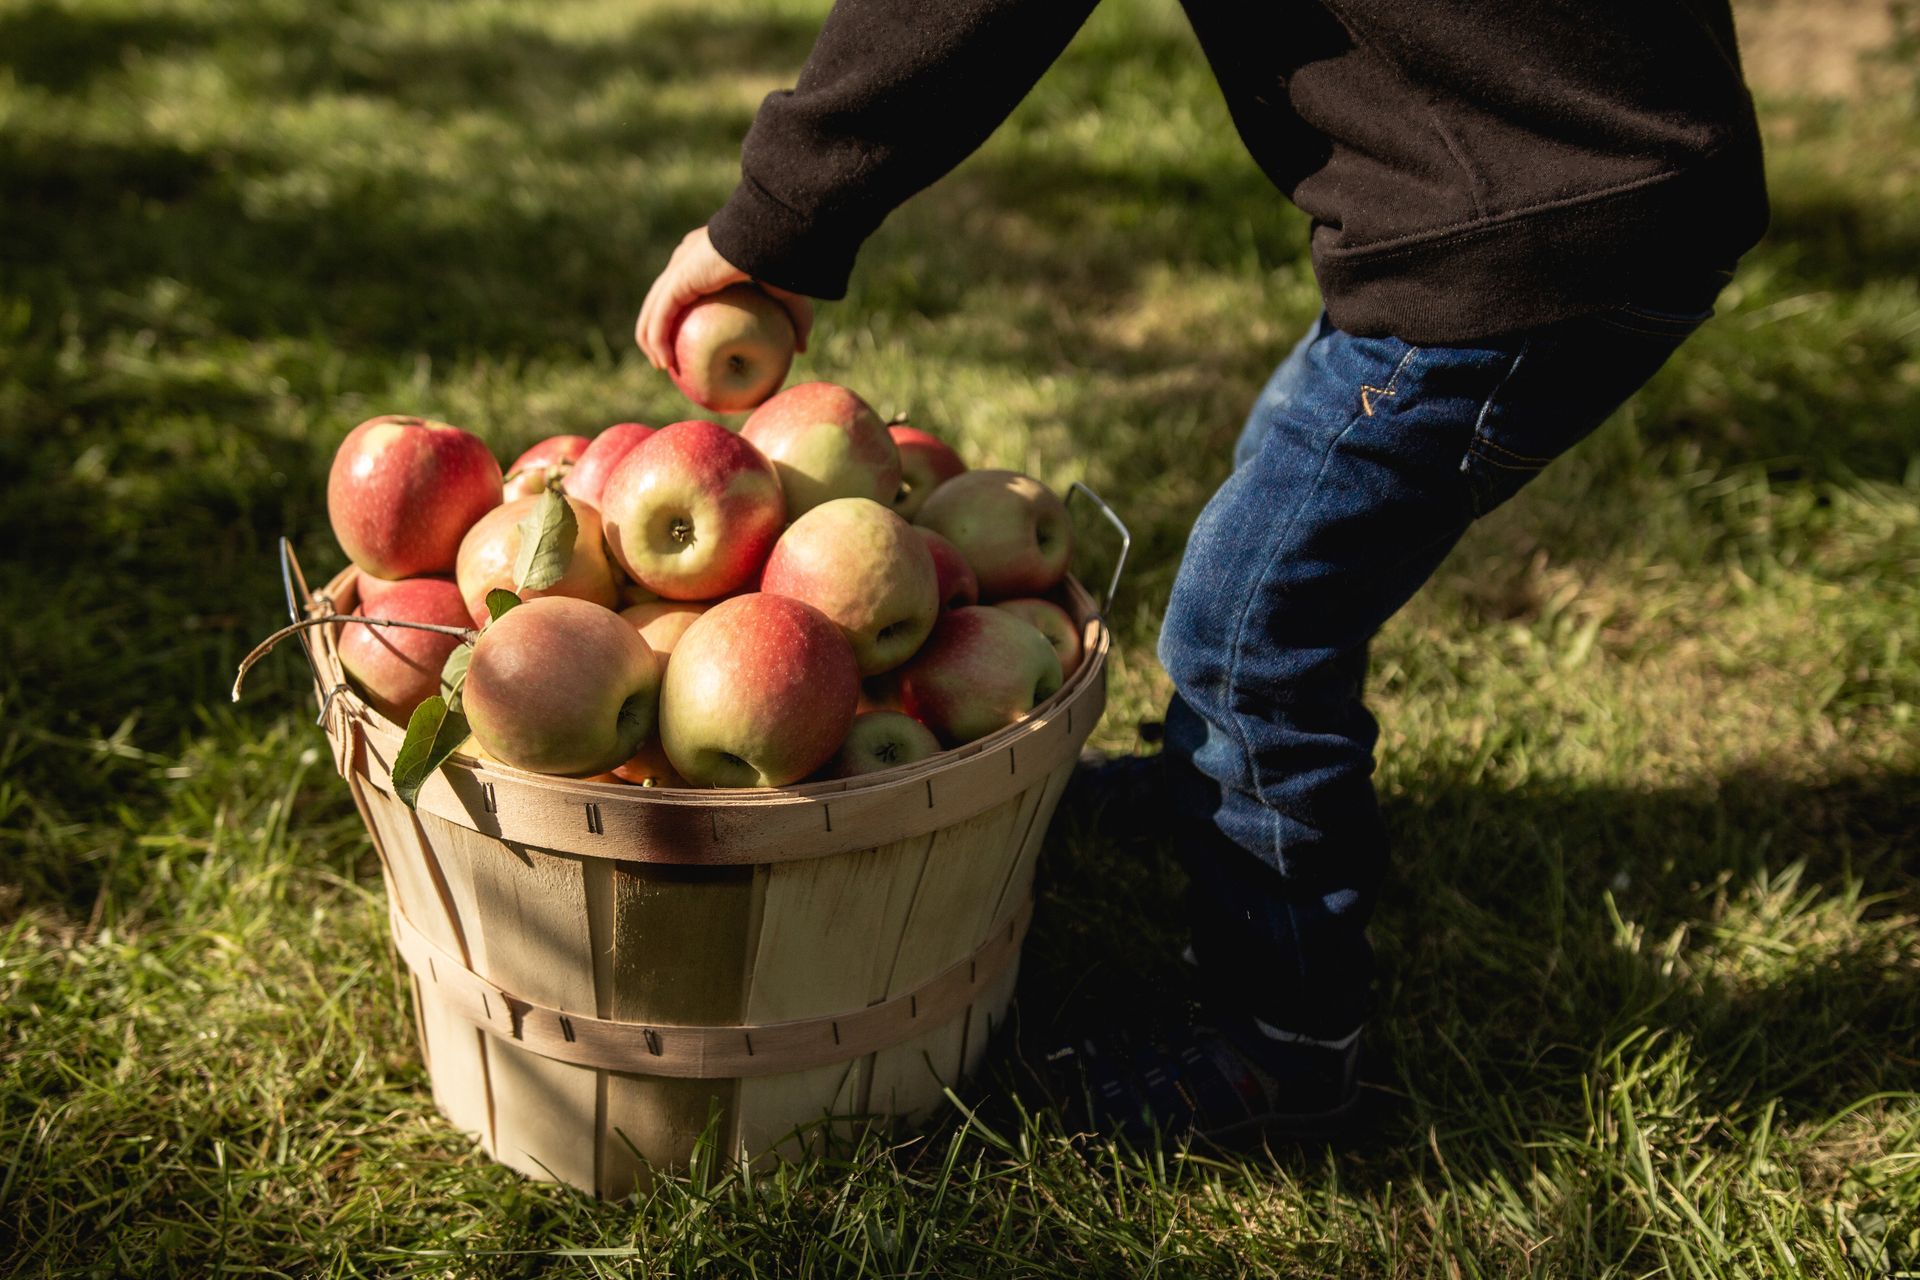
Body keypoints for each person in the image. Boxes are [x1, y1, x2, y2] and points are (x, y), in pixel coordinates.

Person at [635, 0, 1769, 1144]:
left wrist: (774, 219)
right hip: (1563, 177)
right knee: (1285, 479)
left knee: (1251, 634)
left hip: (1530, 223)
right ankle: (1211, 784)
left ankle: (1284, 1049)